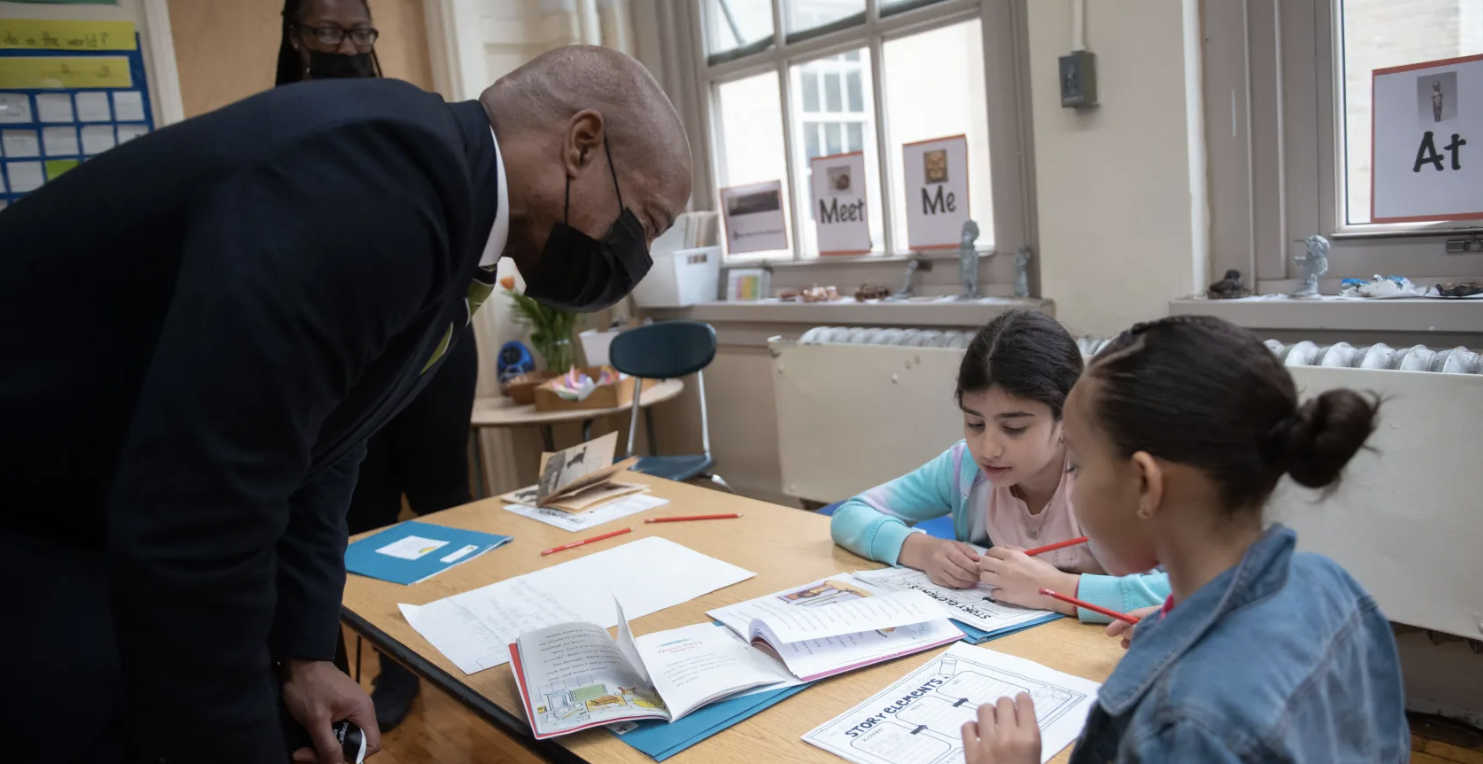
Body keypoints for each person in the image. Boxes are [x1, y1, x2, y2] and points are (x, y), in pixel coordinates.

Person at [0, 45, 691, 764]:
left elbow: (328, 440)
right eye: (642, 221)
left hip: (93, 510)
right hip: (37, 510)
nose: (631, 256)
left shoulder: (446, 209)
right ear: (581, 145)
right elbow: (202, 519)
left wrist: (305, 655)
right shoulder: (377, 186)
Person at [960, 315, 1407, 763]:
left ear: (1145, 486)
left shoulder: (1188, 725)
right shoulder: (1333, 583)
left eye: (1076, 466)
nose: (1072, 484)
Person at [272, 0, 480, 729]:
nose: (347, 46)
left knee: (444, 501)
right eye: (328, 32)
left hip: (429, 342)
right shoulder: (275, 127)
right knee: (357, 515)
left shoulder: (410, 118)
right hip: (344, 349)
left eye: (359, 32)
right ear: (294, 37)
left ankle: (469, 645)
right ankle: (387, 664)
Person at [830, 311, 1169, 623]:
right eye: (975, 424)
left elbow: (1184, 589)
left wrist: (1057, 590)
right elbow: (853, 514)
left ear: (1069, 416)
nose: (988, 449)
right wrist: (923, 550)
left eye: (1015, 428)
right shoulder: (965, 469)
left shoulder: (1104, 478)